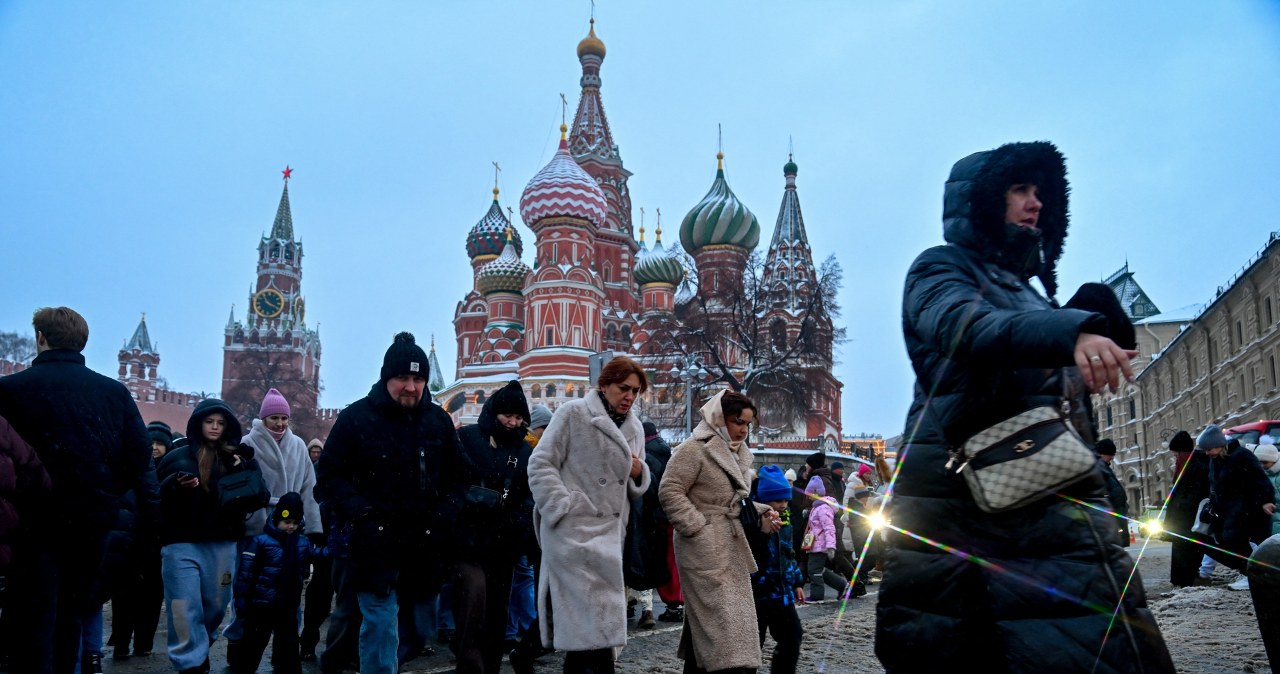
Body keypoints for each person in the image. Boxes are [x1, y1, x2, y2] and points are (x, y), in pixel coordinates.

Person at [877, 141, 1174, 672]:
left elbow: (1027, 388)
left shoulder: (1028, 292)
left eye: (1040, 191)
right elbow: (968, 327)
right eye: (1019, 189)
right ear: (982, 199)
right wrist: (1070, 331)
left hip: (1050, 517)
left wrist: (1083, 331)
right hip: (983, 523)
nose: (1035, 202)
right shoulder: (941, 268)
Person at [0, 306, 159, 674]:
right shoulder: (113, 393)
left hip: (30, 523)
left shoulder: (10, 390)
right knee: (72, 613)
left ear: (41, 338)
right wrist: (115, 499)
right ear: (82, 342)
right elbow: (140, 461)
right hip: (90, 523)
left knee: (31, 616)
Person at [315, 332, 466, 674]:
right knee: (380, 624)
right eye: (402, 378)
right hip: (374, 543)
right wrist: (362, 513)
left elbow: (460, 476)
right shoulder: (356, 418)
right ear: (387, 378)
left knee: (419, 628)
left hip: (424, 545)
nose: (410, 387)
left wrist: (445, 513)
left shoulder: (438, 421)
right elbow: (329, 476)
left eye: (418, 379)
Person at [527, 356, 651, 674]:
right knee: (587, 637)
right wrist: (563, 507)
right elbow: (540, 463)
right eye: (623, 388)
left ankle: (528, 653)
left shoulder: (635, 428)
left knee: (597, 637)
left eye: (635, 391)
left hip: (611, 538)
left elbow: (633, 485)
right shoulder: (573, 413)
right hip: (573, 535)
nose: (630, 396)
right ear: (604, 385)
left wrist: (639, 472)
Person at [659, 389, 776, 674]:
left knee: (717, 626)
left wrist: (760, 511)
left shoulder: (739, 453)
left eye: (748, 424)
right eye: (738, 421)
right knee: (723, 627)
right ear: (719, 418)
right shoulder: (694, 448)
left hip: (730, 545)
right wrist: (697, 527)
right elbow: (670, 490)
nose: (744, 430)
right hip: (703, 548)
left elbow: (732, 502)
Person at [157, 398, 267, 674]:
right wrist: (176, 485)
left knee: (216, 607)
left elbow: (261, 497)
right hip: (181, 544)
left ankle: (199, 647)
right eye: (209, 422)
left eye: (220, 423)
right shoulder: (177, 458)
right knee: (183, 605)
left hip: (222, 543)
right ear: (199, 424)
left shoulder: (237, 459)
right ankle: (189, 663)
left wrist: (245, 469)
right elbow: (155, 497)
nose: (215, 427)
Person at [226, 388, 324, 653]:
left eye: (284, 418)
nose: (280, 424)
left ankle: (287, 645)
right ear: (264, 418)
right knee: (248, 587)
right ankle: (240, 640)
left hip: (290, 526)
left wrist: (313, 527)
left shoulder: (298, 445)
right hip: (256, 524)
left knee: (289, 588)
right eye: (274, 418)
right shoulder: (247, 443)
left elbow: (308, 488)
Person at [453, 380, 536, 674]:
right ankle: (469, 665)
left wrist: (518, 521)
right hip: (467, 540)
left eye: (518, 417)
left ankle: (490, 667)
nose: (513, 422)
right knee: (473, 601)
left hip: (504, 543)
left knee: (497, 610)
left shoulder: (524, 451)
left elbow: (529, 495)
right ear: (494, 413)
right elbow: (452, 480)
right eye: (507, 416)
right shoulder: (467, 437)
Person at [229, 492, 328, 674]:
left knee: (288, 646)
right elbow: (245, 575)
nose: (291, 526)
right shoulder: (260, 542)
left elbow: (317, 555)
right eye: (287, 522)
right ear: (277, 519)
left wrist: (334, 549)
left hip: (287, 605)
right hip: (261, 606)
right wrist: (241, 600)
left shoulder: (301, 543)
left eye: (295, 522)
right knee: (253, 645)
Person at [108, 421, 172, 660]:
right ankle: (121, 644)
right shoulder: (129, 468)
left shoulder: (171, 471)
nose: (155, 447)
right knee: (124, 594)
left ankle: (144, 644)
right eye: (151, 442)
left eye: (159, 444)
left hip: (157, 542)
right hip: (130, 540)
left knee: (152, 597)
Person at [1196, 425, 1276, 591]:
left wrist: (1266, 501)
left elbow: (1260, 479)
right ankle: (1248, 571)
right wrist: (1212, 505)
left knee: (1240, 541)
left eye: (1209, 449)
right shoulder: (1215, 460)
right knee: (1225, 541)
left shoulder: (1241, 456)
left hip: (1247, 509)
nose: (1207, 453)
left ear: (1219, 445)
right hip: (1227, 510)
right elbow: (1214, 486)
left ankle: (1250, 574)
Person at [750, 465, 804, 674]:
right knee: (752, 647)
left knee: (792, 636)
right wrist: (763, 533)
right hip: (757, 595)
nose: (783, 505)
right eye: (778, 500)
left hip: (782, 594)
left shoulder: (786, 519)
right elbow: (752, 554)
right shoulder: (752, 519)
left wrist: (797, 582)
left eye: (786, 500)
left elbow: (789, 554)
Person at [1162, 430, 1210, 587]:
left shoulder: (1197, 466)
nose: (1175, 457)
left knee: (1188, 550)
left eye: (1176, 454)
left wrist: (1181, 506)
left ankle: (1187, 580)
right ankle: (1180, 580)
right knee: (1180, 549)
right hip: (1181, 518)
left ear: (1183, 452)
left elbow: (1196, 492)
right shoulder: (1185, 464)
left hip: (1189, 518)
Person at [800, 476, 842, 603]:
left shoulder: (822, 508)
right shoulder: (818, 507)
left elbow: (829, 528)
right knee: (818, 569)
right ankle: (841, 584)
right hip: (817, 543)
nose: (808, 496)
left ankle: (817, 595)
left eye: (810, 493)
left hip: (820, 544)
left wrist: (831, 546)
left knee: (814, 570)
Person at [1096, 439, 1130, 547]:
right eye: (1110, 454)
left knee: (1117, 547)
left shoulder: (1105, 468)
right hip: (1111, 516)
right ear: (1102, 453)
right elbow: (1100, 492)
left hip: (1116, 514)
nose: (1112, 457)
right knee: (1113, 547)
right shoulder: (1098, 469)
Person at [1257, 442, 1280, 536]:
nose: (1262, 465)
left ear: (1274, 460)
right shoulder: (1259, 474)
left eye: (1265, 462)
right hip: (1270, 520)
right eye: (1259, 462)